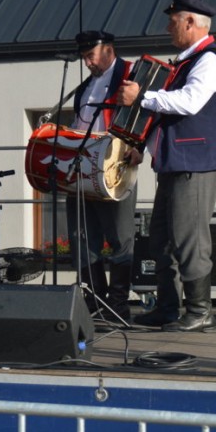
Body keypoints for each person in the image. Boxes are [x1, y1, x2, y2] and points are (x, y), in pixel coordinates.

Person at [118, 0, 216, 332]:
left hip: (194, 162)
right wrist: (143, 145)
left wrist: (142, 96)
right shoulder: (188, 61)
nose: (168, 28)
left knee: (188, 237)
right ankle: (168, 307)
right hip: (175, 161)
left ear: (191, 23)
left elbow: (189, 102)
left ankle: (199, 310)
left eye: (173, 22)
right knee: (162, 238)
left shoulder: (209, 59)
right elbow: (168, 112)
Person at [66, 30, 139, 324]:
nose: (87, 63)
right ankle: (95, 303)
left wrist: (139, 145)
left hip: (116, 167)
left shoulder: (132, 74)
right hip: (84, 167)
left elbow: (147, 114)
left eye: (91, 56)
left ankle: (118, 306)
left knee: (120, 237)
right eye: (84, 57)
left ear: (108, 49)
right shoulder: (85, 87)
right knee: (82, 236)